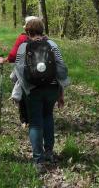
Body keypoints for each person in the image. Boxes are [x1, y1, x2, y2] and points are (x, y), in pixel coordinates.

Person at [14, 18, 69, 171]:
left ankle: (38, 160)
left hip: (32, 90)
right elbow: (61, 69)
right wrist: (61, 92)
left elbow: (17, 71)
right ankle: (49, 152)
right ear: (42, 30)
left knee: (36, 123)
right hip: (52, 89)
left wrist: (19, 91)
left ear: (28, 32)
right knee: (48, 117)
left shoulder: (24, 46)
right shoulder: (52, 45)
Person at [0, 16, 38, 125]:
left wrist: (4, 60)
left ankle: (25, 120)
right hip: (42, 74)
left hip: (25, 73)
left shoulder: (23, 38)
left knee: (24, 94)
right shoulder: (46, 39)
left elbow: (13, 56)